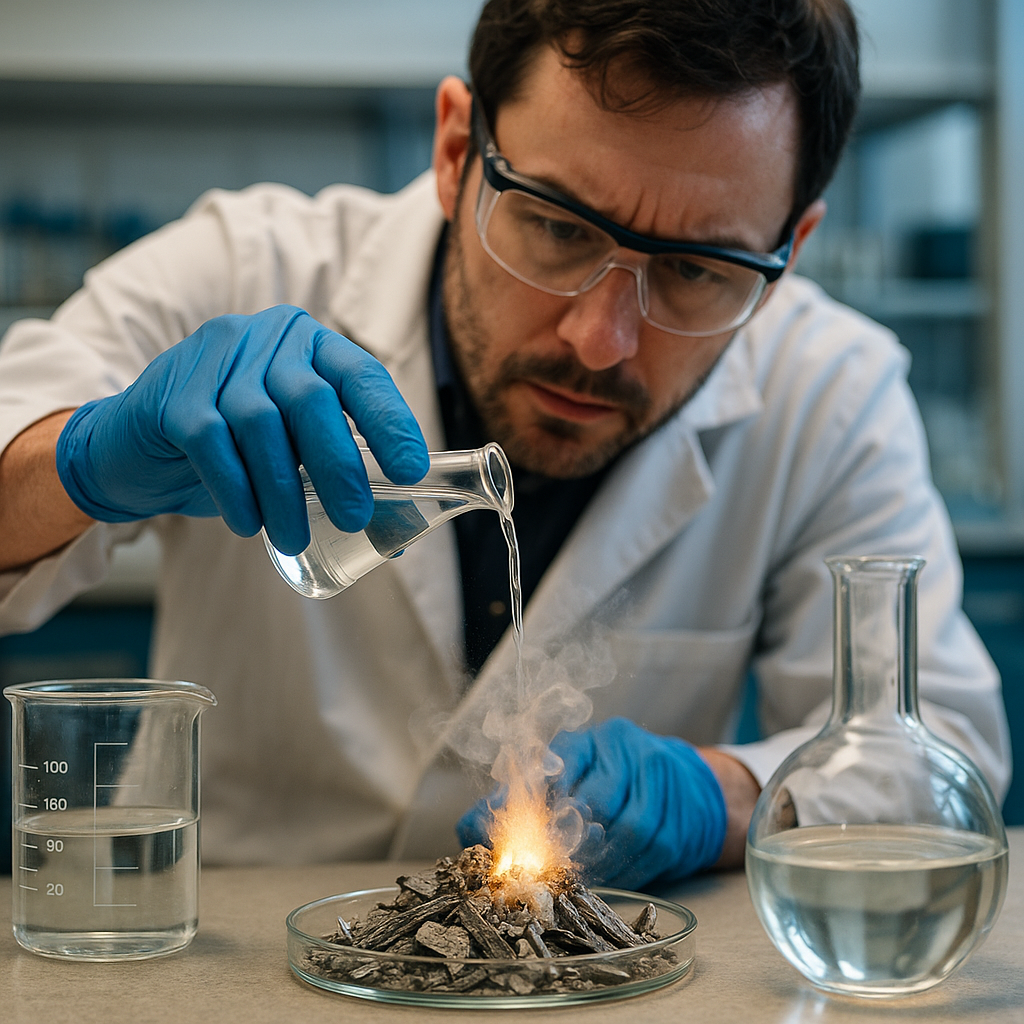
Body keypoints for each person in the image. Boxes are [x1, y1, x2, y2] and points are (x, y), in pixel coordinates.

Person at [0, 0, 1010, 888]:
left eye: (698, 271)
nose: (599, 339)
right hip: (214, 964)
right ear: (454, 152)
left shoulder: (830, 389)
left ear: (788, 251)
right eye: (560, 228)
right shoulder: (244, 262)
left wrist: (726, 795)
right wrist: (83, 460)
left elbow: (941, 756)